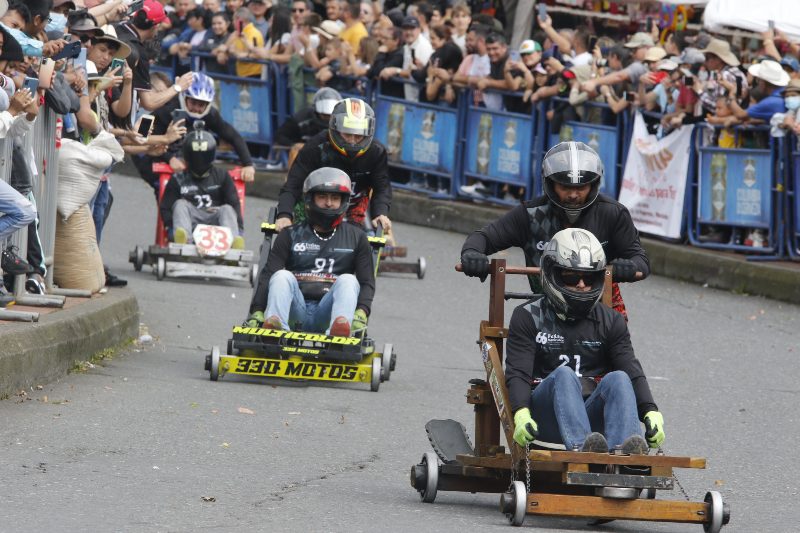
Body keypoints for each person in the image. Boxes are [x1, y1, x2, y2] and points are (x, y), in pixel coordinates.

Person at [505, 228, 665, 454]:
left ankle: (627, 455)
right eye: (571, 276)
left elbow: (631, 368)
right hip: (545, 420)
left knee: (619, 378)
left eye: (588, 277)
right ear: (552, 273)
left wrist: (650, 410)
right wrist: (520, 411)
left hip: (593, 429)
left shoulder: (611, 321)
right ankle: (582, 450)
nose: (581, 284)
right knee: (564, 374)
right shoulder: (528, 316)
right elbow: (518, 372)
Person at [460, 141, 649, 319]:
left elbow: (640, 260)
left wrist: (629, 266)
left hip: (598, 312)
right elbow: (484, 237)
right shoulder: (530, 215)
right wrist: (471, 253)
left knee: (620, 350)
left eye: (581, 187)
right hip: (545, 313)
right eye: (565, 186)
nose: (574, 195)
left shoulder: (612, 214)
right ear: (550, 183)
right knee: (520, 331)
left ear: (593, 184)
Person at [247, 167, 375, 338]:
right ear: (310, 199)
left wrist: (361, 312)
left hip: (329, 312)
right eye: (322, 197)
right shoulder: (290, 234)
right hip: (295, 309)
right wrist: (257, 311)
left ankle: (340, 333)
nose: (329, 203)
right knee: (281, 276)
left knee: (349, 280)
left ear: (343, 201)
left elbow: (366, 282)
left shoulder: (357, 237)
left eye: (335, 198)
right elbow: (268, 274)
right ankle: (275, 327)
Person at [275, 98, 392, 232]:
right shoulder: (315, 147)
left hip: (354, 209)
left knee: (366, 245)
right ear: (335, 128)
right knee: (295, 238)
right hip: (314, 207)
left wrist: (380, 214)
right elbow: (293, 184)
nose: (352, 141)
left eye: (358, 136)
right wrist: (284, 214)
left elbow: (382, 188)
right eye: (347, 134)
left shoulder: (376, 152)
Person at [136, 71, 255, 194]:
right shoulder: (169, 107)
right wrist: (169, 158)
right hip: (150, 154)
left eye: (201, 104)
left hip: (179, 152)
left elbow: (233, 136)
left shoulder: (210, 114)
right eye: (193, 102)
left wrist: (248, 164)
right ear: (185, 97)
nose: (197, 109)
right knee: (168, 192)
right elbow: (140, 135)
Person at [159, 123, 244, 249]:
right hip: (190, 221)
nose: (199, 160)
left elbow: (234, 204)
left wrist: (240, 228)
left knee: (227, 209)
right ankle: (184, 241)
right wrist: (170, 227)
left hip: (215, 221)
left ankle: (232, 241)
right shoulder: (178, 179)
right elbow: (165, 207)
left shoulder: (222, 176)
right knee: (180, 204)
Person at [273, 87, 342, 147]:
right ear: (316, 109)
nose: (328, 117)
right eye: (325, 115)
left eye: (330, 115)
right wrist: (294, 145)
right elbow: (280, 135)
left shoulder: (344, 122)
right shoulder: (302, 118)